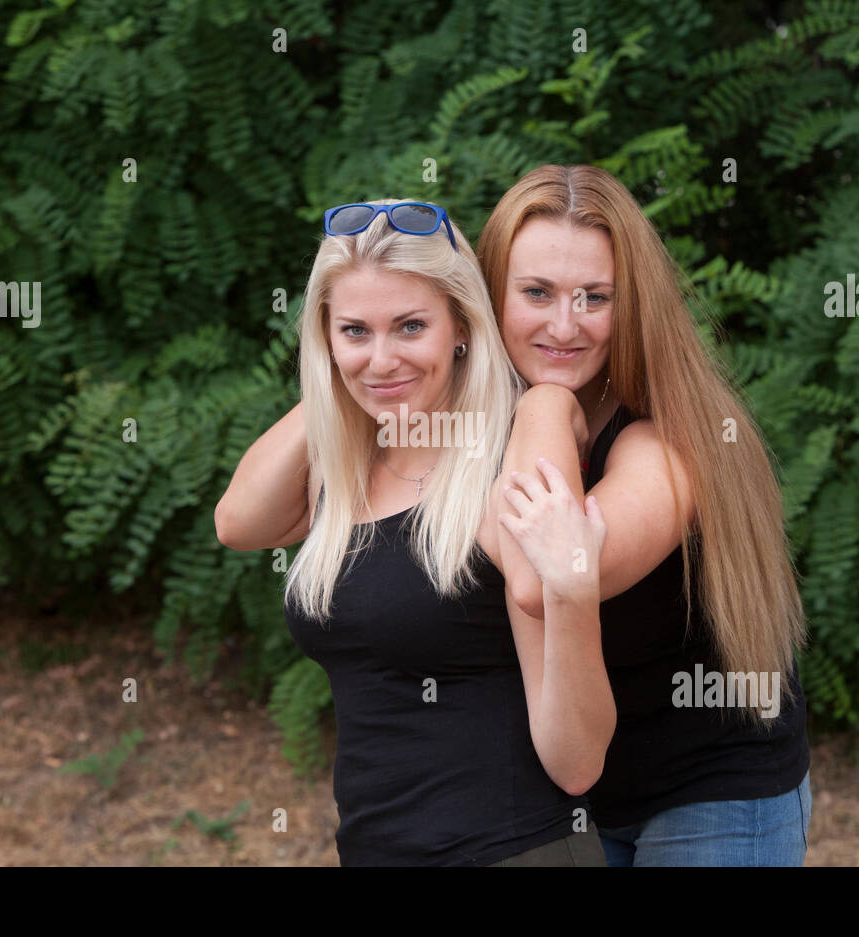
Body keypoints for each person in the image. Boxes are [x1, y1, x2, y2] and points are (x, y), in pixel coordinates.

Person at [215, 200, 613, 865]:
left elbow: (577, 763)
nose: (381, 359)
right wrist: (337, 378)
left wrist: (571, 590)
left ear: (461, 326)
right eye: (354, 330)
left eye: (409, 327)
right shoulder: (346, 475)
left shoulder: (506, 459)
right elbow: (237, 522)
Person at [475, 165, 812, 866]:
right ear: (487, 298)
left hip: (713, 795)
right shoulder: (475, 420)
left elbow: (546, 580)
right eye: (536, 292)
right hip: (583, 798)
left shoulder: (669, 437)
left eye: (594, 297)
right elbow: (240, 521)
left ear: (633, 307)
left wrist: (544, 405)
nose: (563, 325)